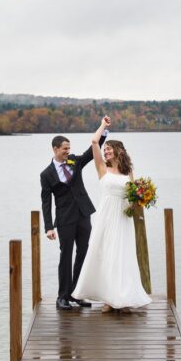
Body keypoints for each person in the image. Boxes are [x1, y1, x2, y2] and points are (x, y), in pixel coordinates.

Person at [71, 135, 152, 312]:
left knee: (123, 255)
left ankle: (124, 299)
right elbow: (94, 142)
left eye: (109, 148)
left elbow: (133, 194)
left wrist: (140, 198)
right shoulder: (102, 168)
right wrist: (102, 126)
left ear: (119, 151)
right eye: (105, 149)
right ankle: (108, 300)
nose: (106, 151)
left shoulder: (127, 171)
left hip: (123, 216)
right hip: (106, 217)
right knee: (106, 254)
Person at [40, 116, 110, 310]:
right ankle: (62, 296)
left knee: (83, 253)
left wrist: (103, 129)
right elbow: (46, 202)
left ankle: (76, 294)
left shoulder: (74, 161)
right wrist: (48, 227)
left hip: (83, 213)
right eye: (64, 149)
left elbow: (90, 153)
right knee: (66, 255)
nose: (68, 152)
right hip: (64, 219)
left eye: (69, 149)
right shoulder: (46, 175)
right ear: (55, 149)